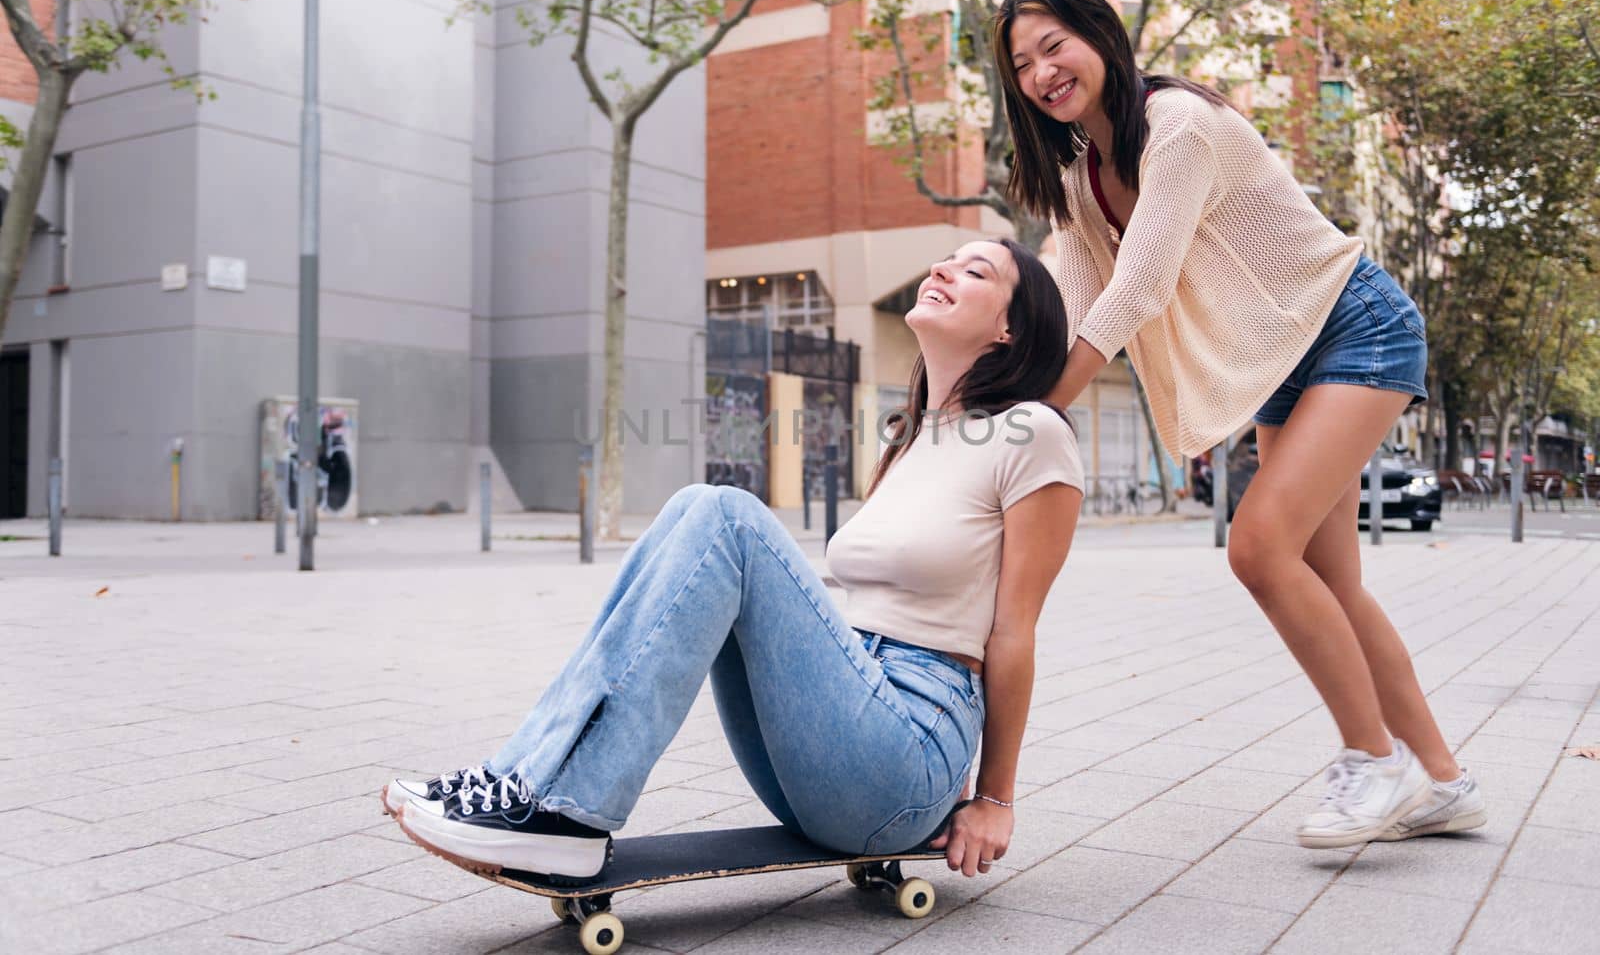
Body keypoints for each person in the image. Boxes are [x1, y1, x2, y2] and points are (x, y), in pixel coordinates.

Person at [383, 237, 1086, 879]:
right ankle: (523, 781)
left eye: (975, 270)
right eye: (946, 259)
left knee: (725, 515)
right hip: (843, 734)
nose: (942, 269)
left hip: (906, 753)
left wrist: (995, 796)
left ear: (1010, 329)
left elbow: (1013, 630)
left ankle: (558, 806)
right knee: (699, 509)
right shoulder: (908, 440)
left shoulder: (1033, 434)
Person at [993, 0, 1485, 848]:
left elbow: (1138, 287)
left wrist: (1038, 413)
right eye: (1023, 64)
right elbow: (1068, 295)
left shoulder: (1178, 127)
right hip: (1281, 364)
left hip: (1352, 327)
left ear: (1100, 36)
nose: (1042, 73)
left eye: (1053, 46)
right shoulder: (1080, 178)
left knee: (1258, 547)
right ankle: (1442, 780)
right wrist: (999, 389)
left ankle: (1376, 761)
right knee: (1330, 584)